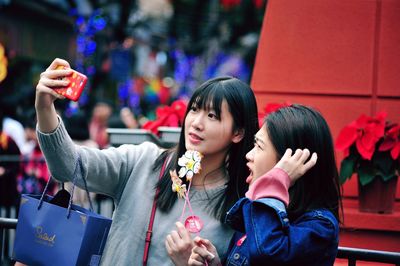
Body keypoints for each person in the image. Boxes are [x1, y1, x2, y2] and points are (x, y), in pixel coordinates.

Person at [34, 58, 259, 265]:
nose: (196, 123)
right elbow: (69, 165)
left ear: (238, 133)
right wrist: (44, 108)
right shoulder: (144, 161)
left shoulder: (240, 206)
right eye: (194, 109)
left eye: (212, 116)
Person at [189, 104, 342, 266]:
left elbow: (267, 254)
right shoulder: (257, 210)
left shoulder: (319, 226)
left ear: (290, 160)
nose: (249, 155)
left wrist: (275, 182)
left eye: (259, 147)